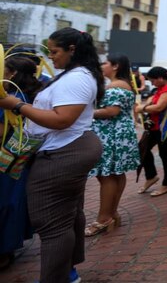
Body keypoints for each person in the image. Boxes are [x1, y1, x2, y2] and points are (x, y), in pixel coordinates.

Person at [0, 27, 104, 283]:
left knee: (52, 224)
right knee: (66, 217)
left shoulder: (77, 78)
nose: (50, 56)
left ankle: (56, 277)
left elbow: (62, 120)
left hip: (63, 152)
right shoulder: (74, 74)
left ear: (72, 50)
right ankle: (66, 273)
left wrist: (17, 105)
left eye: (54, 51)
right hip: (65, 148)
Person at [86, 54, 140, 237]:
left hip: (112, 134)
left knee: (106, 175)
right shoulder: (124, 84)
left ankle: (103, 219)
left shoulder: (116, 86)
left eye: (105, 63)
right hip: (118, 133)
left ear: (115, 66)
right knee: (116, 174)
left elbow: (112, 111)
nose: (101, 65)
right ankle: (112, 213)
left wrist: (85, 114)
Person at [0, 56, 41, 270]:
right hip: (22, 157)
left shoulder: (11, 99)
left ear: (12, 73)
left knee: (5, 202)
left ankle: (4, 251)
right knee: (13, 200)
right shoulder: (30, 96)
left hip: (6, 159)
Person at [136, 66, 167, 197]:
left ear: (161, 78)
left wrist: (143, 108)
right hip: (154, 127)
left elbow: (159, 107)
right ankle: (151, 176)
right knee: (142, 149)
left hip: (165, 128)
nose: (152, 84)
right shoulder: (161, 88)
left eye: (153, 81)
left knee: (165, 155)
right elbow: (153, 101)